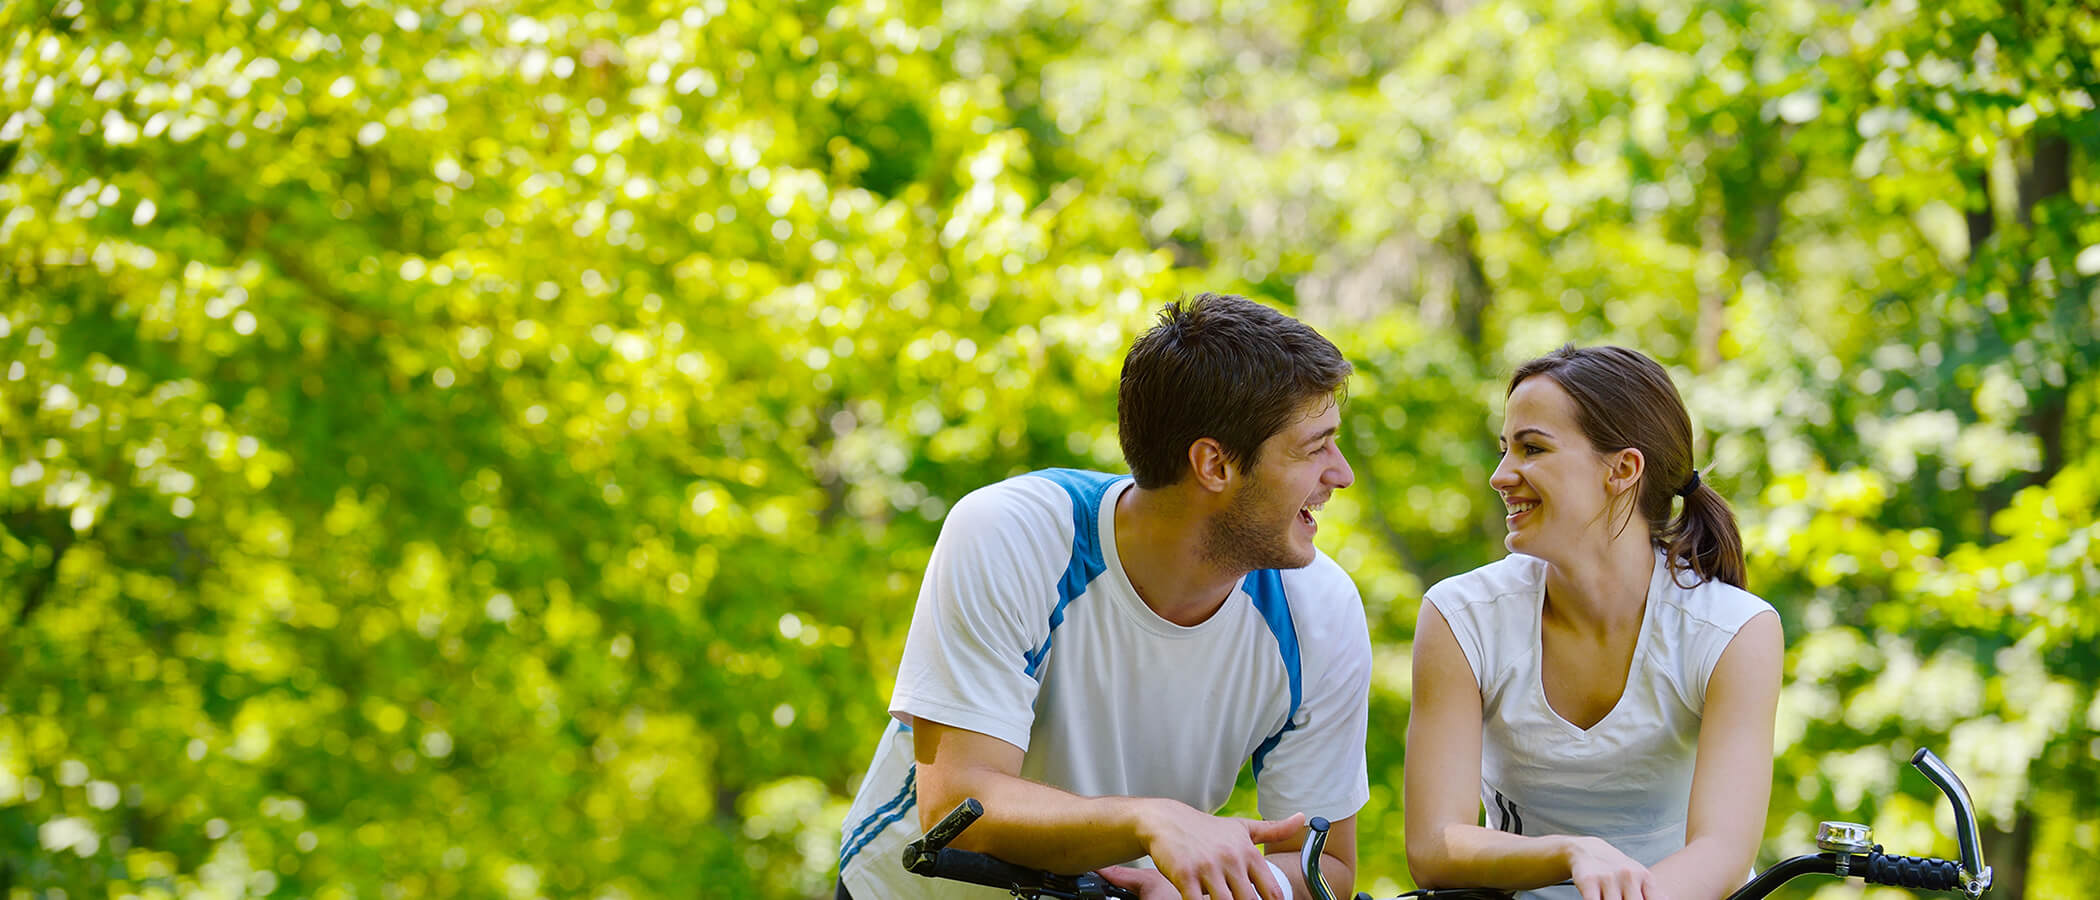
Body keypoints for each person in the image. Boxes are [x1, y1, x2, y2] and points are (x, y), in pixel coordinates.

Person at [836, 293, 1372, 900]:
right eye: (1314, 448)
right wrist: (1150, 821)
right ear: (1214, 465)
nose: (1342, 473)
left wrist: (1198, 891)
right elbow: (959, 809)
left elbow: (1326, 866)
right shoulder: (1014, 534)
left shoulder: (1321, 611)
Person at [1403, 345, 1783, 900]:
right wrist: (1571, 852)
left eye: (1532, 448)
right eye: (1505, 449)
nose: (1500, 476)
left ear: (1623, 469)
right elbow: (1434, 848)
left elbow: (1721, 854)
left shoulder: (1736, 631)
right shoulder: (1461, 616)